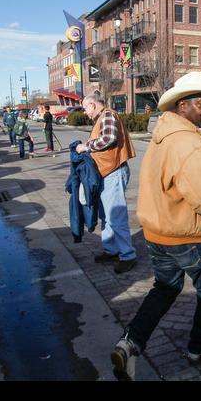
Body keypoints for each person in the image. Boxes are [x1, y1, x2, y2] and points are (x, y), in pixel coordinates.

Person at [109, 72, 201, 381]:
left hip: (157, 233)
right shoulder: (190, 143)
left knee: (165, 288)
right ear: (182, 106)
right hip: (189, 236)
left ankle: (129, 342)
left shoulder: (162, 136)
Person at [75, 92, 138, 273]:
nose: (85, 112)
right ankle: (111, 250)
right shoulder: (104, 117)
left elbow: (108, 138)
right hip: (107, 173)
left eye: (85, 108)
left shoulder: (108, 115)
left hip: (113, 172)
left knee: (115, 216)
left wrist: (85, 146)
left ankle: (127, 255)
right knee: (107, 215)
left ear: (93, 105)